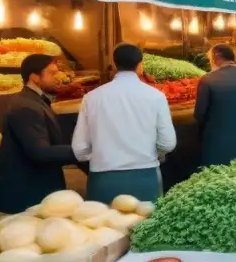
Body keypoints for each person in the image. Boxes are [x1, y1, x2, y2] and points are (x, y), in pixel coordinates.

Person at [72, 43, 175, 203]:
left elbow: (80, 149)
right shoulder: (155, 96)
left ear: (114, 64)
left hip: (103, 179)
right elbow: (168, 143)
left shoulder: (91, 98)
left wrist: (101, 157)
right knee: (145, 225)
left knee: (102, 226)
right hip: (145, 177)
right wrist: (155, 154)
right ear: (140, 65)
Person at [0, 54, 80, 214]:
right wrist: (83, 150)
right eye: (51, 73)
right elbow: (39, 151)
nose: (57, 78)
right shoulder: (25, 107)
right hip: (26, 193)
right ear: (35, 77)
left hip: (36, 188)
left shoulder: (35, 100)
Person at [193, 44, 236, 167]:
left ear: (216, 57)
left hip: (215, 144)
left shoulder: (207, 80)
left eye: (209, 59)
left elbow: (199, 114)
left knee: (216, 179)